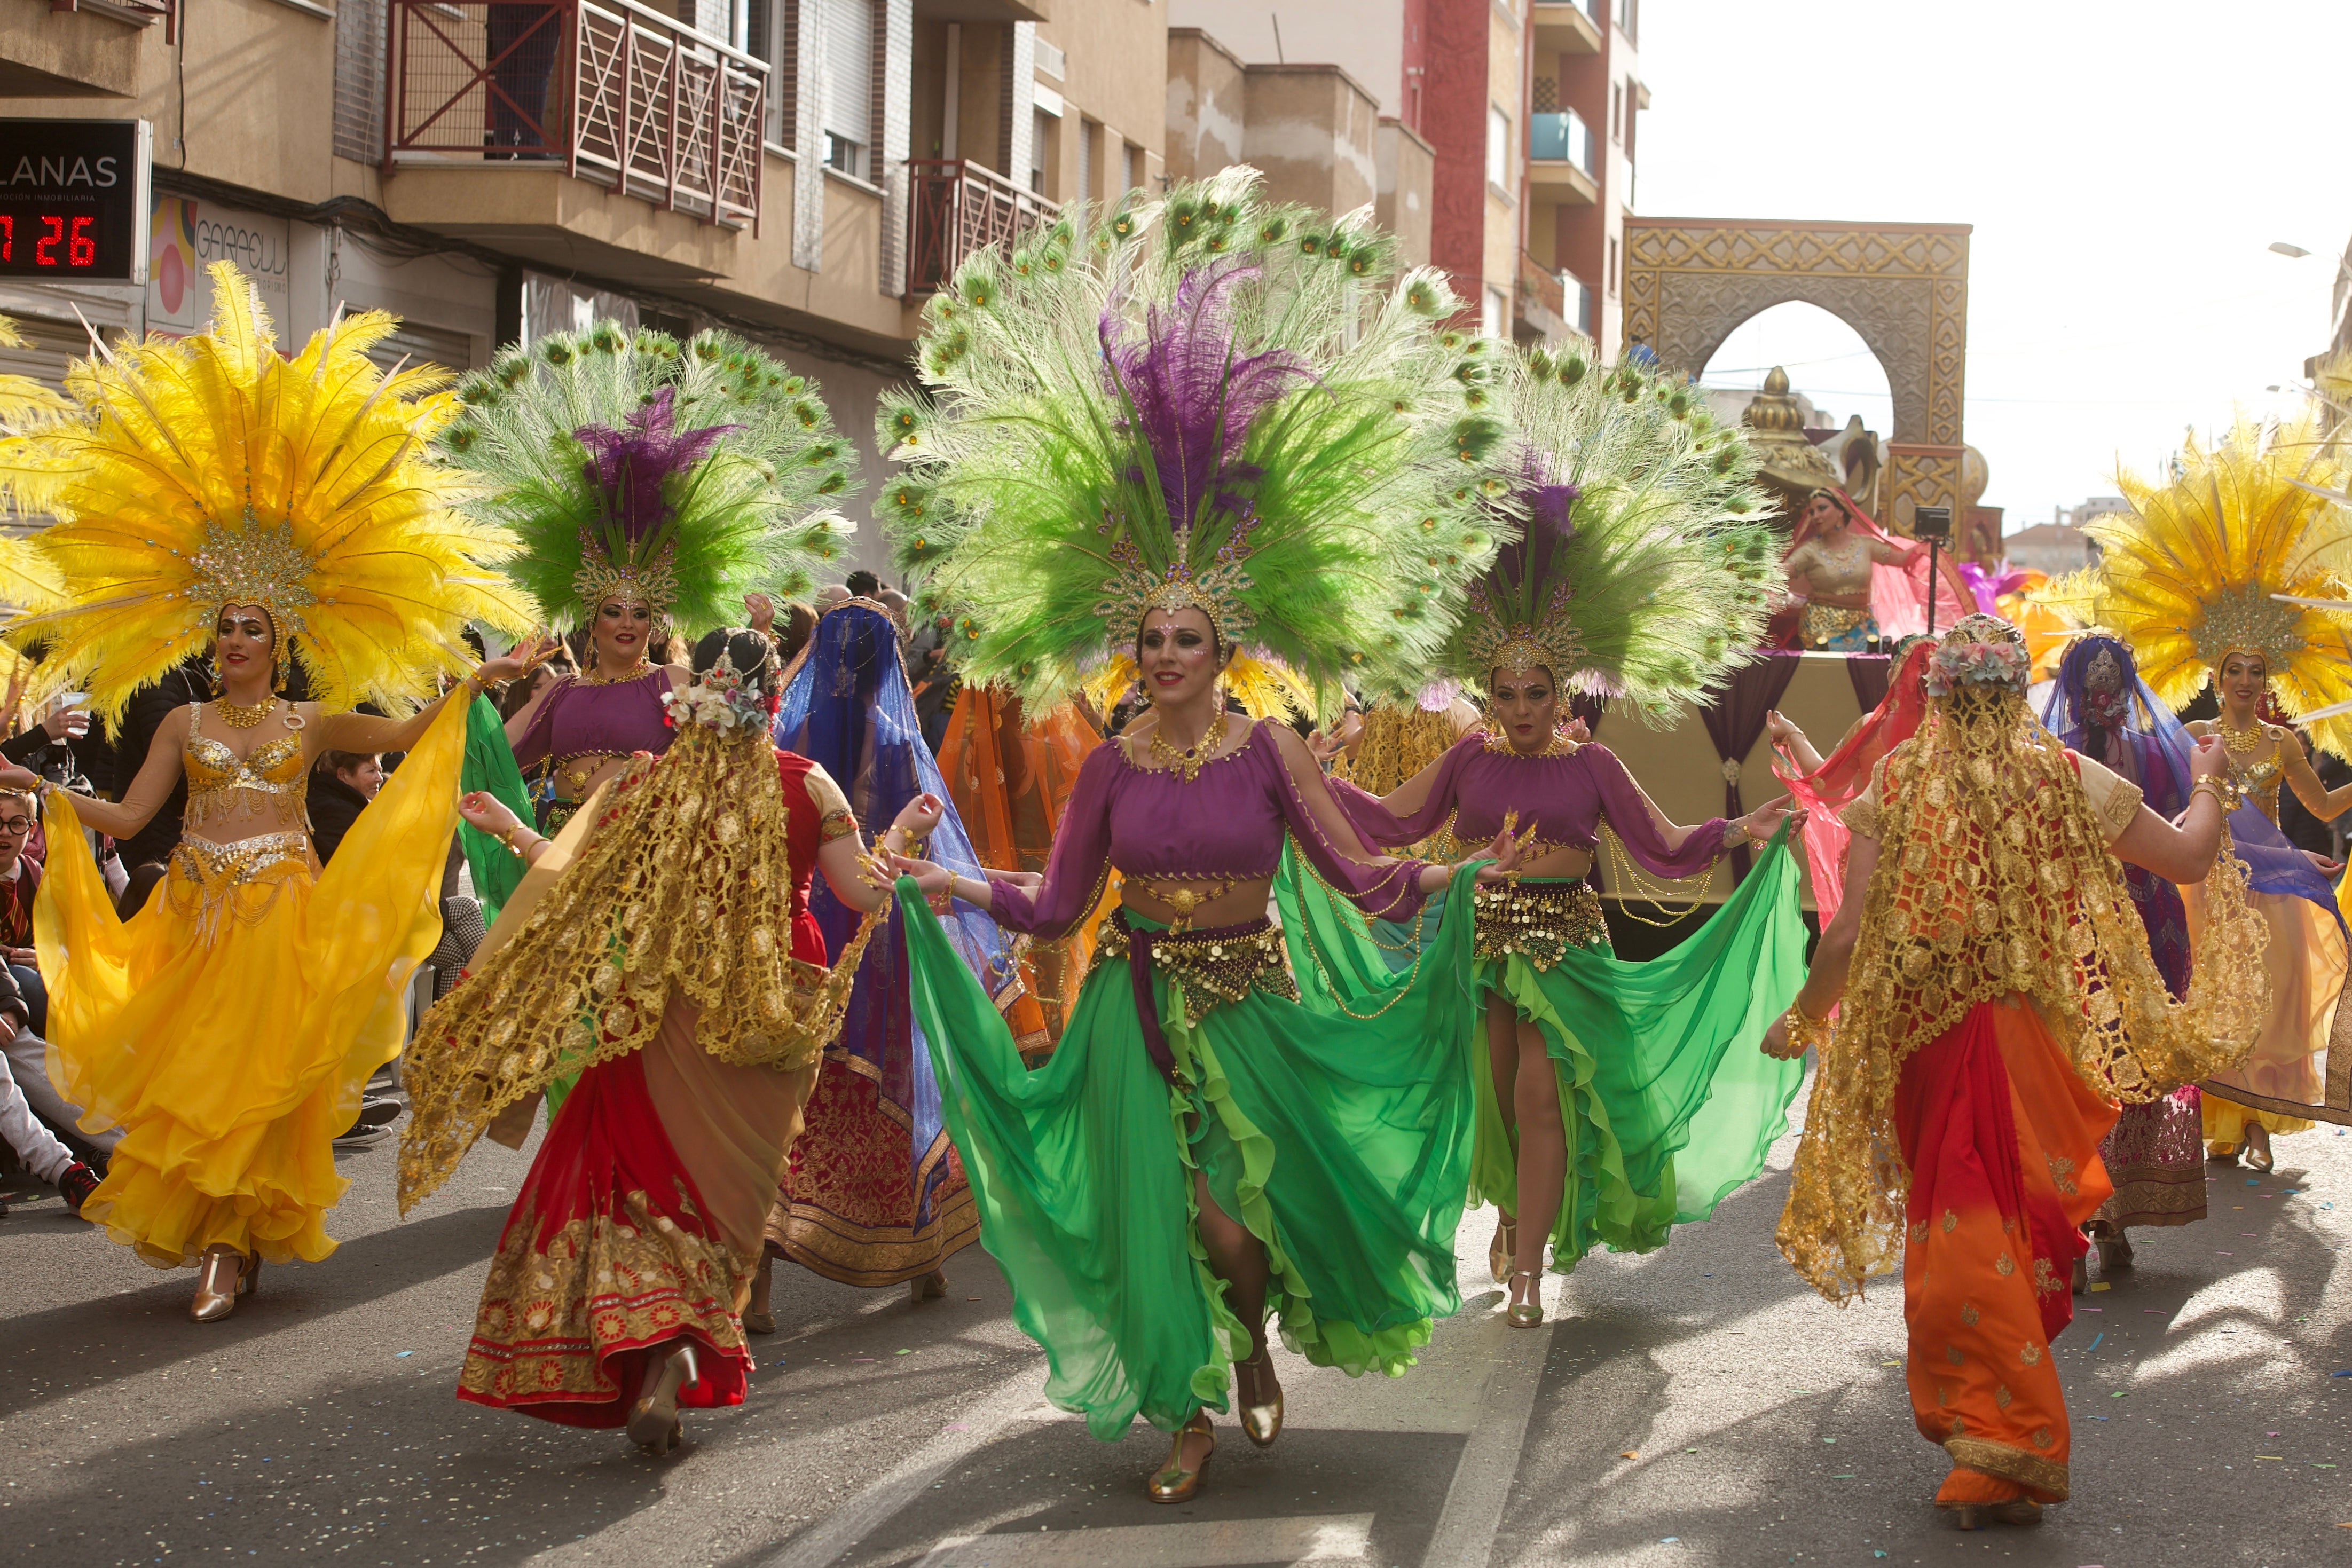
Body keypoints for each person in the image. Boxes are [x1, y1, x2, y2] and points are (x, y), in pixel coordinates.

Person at [875, 169, 1522, 1502]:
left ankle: (1255, 1345)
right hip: (1132, 1004)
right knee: (1157, 1220)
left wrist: (1450, 874)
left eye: (1188, 637)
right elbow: (1058, 904)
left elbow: (1350, 862)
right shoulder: (1111, 767)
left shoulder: (1271, 746)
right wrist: (949, 880)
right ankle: (1184, 1409)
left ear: (1223, 646)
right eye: (1150, 637)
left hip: (1252, 999)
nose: (1165, 653)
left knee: (1238, 1229)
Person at [0, 263, 534, 1320]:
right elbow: (129, 817)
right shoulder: (182, 723)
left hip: (283, 910)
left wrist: (476, 678)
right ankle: (215, 1235)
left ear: (280, 643)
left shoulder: (312, 724)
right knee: (199, 1080)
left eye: (252, 626)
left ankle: (236, 1245)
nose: (235, 639)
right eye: (224, 625)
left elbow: (413, 732)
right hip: (194, 915)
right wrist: (43, 791)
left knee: (259, 1082)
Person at [1307, 344, 1804, 1327]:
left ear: (1566, 689)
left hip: (1567, 946)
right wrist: (1316, 780)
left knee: (1541, 1099)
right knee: (1495, 1101)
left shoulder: (1590, 766)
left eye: (1541, 691)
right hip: (1477, 941)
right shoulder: (1469, 762)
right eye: (1507, 691)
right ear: (1484, 692)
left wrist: (1740, 826)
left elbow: (1660, 844)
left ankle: (1528, 1268)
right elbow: (1398, 820)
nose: (1525, 705)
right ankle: (1511, 1223)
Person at [1764, 614, 2266, 1530]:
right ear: (2019, 691)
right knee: (2004, 1234)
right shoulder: (2062, 777)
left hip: (1936, 1044)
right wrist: (2207, 783)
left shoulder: (1902, 780)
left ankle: (2005, 1444)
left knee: (1961, 1238)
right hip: (2034, 1044)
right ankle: (1993, 1436)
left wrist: (1804, 1016)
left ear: (1942, 696)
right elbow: (2191, 857)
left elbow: (1846, 932)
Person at [398, 632, 937, 1453]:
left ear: (686, 704)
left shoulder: (646, 783)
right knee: (733, 1195)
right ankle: (687, 1340)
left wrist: (513, 831)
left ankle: (657, 1349)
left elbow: (577, 888)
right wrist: (900, 837)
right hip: (772, 1008)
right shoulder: (804, 781)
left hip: (667, 1007)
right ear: (773, 703)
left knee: (648, 1180)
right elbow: (863, 894)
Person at [2036, 412, 2352, 1164]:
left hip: (2266, 882)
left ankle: (2255, 1123)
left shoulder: (2282, 742)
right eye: (2234, 670)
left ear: (2269, 679)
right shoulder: (2190, 741)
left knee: (2274, 999)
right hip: (2204, 880)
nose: (2246, 681)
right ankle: (2218, 1119)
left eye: (2257, 672)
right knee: (2211, 993)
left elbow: (2317, 808)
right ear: (2216, 676)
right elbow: (2169, 814)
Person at [449, 325, 856, 843]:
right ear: (591, 620)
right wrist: (484, 679)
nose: (627, 623)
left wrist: (760, 638)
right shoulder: (561, 694)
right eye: (614, 611)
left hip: (645, 846)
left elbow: (739, 738)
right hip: (559, 843)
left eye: (639, 613)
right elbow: (489, 756)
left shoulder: (672, 682)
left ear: (655, 620)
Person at [747, 598, 1010, 1319]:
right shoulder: (898, 741)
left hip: (803, 933)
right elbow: (937, 845)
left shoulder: (790, 737)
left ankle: (759, 1280)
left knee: (787, 1092)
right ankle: (921, 1261)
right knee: (903, 1071)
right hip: (883, 924)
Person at [1780, 488, 1969, 650]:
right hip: (1820, 624)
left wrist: (1928, 544)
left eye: (1822, 509)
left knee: (1863, 676)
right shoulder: (1810, 550)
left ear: (1840, 512)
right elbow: (1783, 572)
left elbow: (1902, 559)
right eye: (1812, 512)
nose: (1816, 517)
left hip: (1863, 626)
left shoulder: (1866, 545)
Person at [0, 786, 46, 1036]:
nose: (4, 833)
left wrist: (45, 957)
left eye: (16, 824)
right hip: (7, 983)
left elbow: (63, 936)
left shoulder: (38, 876)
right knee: (25, 980)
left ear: (32, 830)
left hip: (32, 973)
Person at [308, 750, 382, 866]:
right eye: (371, 771)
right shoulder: (336, 813)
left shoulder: (342, 805)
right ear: (343, 775)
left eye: (380, 771)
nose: (380, 778)